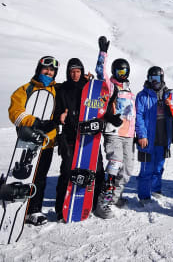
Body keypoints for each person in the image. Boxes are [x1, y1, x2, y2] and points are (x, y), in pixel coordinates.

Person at [8, 56, 59, 225]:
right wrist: (34, 122)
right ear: (39, 69)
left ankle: (33, 210)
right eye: (46, 69)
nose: (49, 72)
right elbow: (16, 113)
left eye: (52, 71)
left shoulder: (56, 91)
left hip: (47, 142)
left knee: (40, 178)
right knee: (20, 175)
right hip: (27, 141)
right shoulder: (25, 89)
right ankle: (8, 205)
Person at [53, 57, 105, 222]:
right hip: (70, 136)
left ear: (82, 72)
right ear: (68, 73)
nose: (75, 74)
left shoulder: (89, 87)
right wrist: (60, 115)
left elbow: (104, 99)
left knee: (97, 170)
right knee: (67, 171)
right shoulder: (62, 90)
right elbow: (57, 111)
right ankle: (61, 208)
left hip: (90, 137)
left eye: (78, 71)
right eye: (72, 71)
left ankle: (96, 202)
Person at [94, 40, 136, 218]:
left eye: (125, 71)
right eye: (119, 71)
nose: (122, 74)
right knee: (114, 165)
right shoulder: (110, 85)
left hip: (128, 135)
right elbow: (99, 72)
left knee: (127, 170)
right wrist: (103, 52)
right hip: (114, 132)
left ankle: (115, 197)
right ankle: (102, 203)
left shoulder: (129, 89)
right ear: (114, 71)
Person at [135, 66, 173, 205]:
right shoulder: (142, 95)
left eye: (157, 78)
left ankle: (156, 190)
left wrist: (171, 106)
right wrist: (142, 135)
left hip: (163, 137)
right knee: (146, 168)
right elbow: (138, 117)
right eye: (151, 78)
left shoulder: (169, 95)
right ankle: (144, 195)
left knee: (159, 167)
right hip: (148, 138)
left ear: (161, 78)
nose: (154, 81)